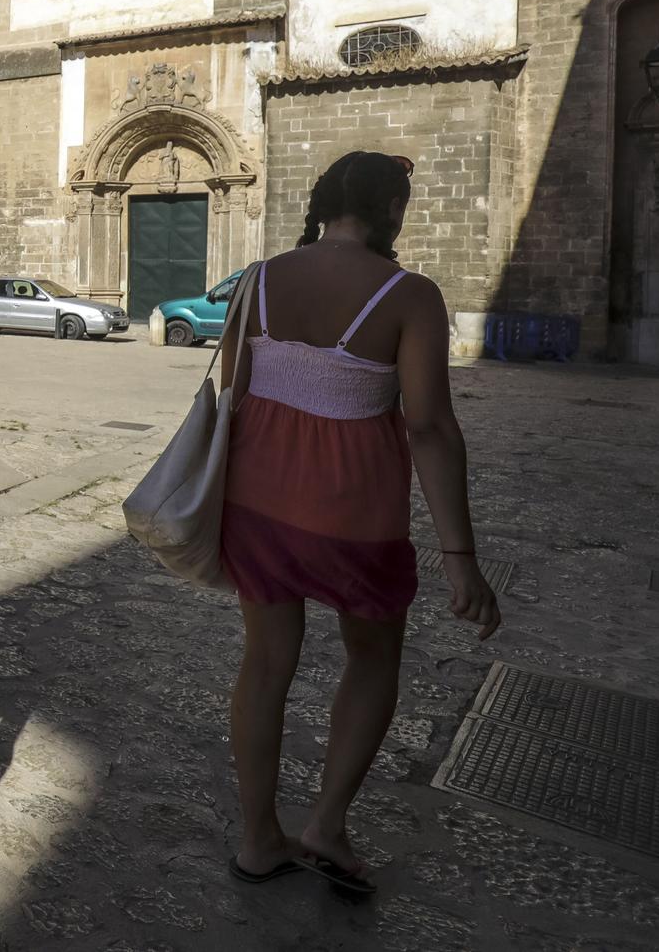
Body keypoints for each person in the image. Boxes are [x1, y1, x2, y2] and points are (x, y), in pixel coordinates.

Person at [218, 150, 501, 895]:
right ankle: (326, 824)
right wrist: (459, 554)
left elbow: (233, 392)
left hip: (259, 504)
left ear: (322, 203)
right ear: (391, 210)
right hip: (355, 514)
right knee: (372, 659)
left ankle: (257, 840)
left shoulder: (259, 280)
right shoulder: (411, 296)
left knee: (266, 662)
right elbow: (431, 427)